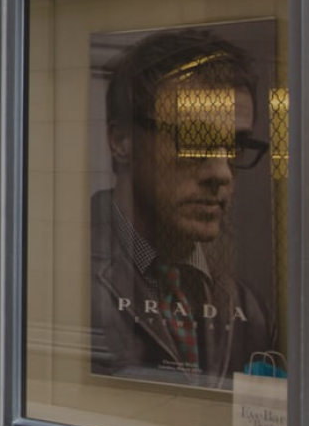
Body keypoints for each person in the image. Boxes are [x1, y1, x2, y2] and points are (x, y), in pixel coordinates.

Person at [91, 28, 276, 388]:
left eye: (235, 146)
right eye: (194, 139)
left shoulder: (252, 311)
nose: (221, 173)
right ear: (122, 141)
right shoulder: (59, 272)